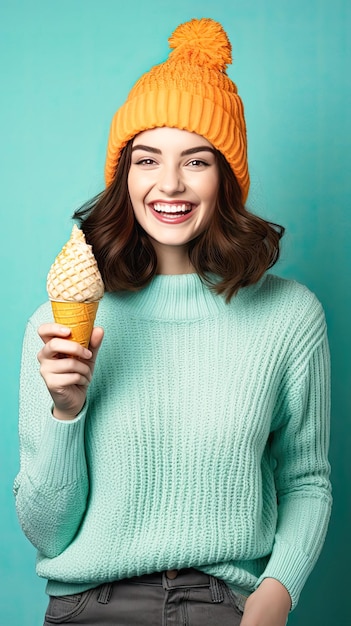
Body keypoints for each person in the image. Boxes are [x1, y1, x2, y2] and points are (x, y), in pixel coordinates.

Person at [14, 17, 332, 626]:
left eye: (196, 161)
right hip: (90, 607)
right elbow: (48, 536)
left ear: (226, 176)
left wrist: (277, 593)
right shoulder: (55, 327)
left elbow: (307, 480)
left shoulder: (291, 316)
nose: (169, 184)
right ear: (123, 175)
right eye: (146, 159)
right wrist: (66, 410)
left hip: (230, 606)